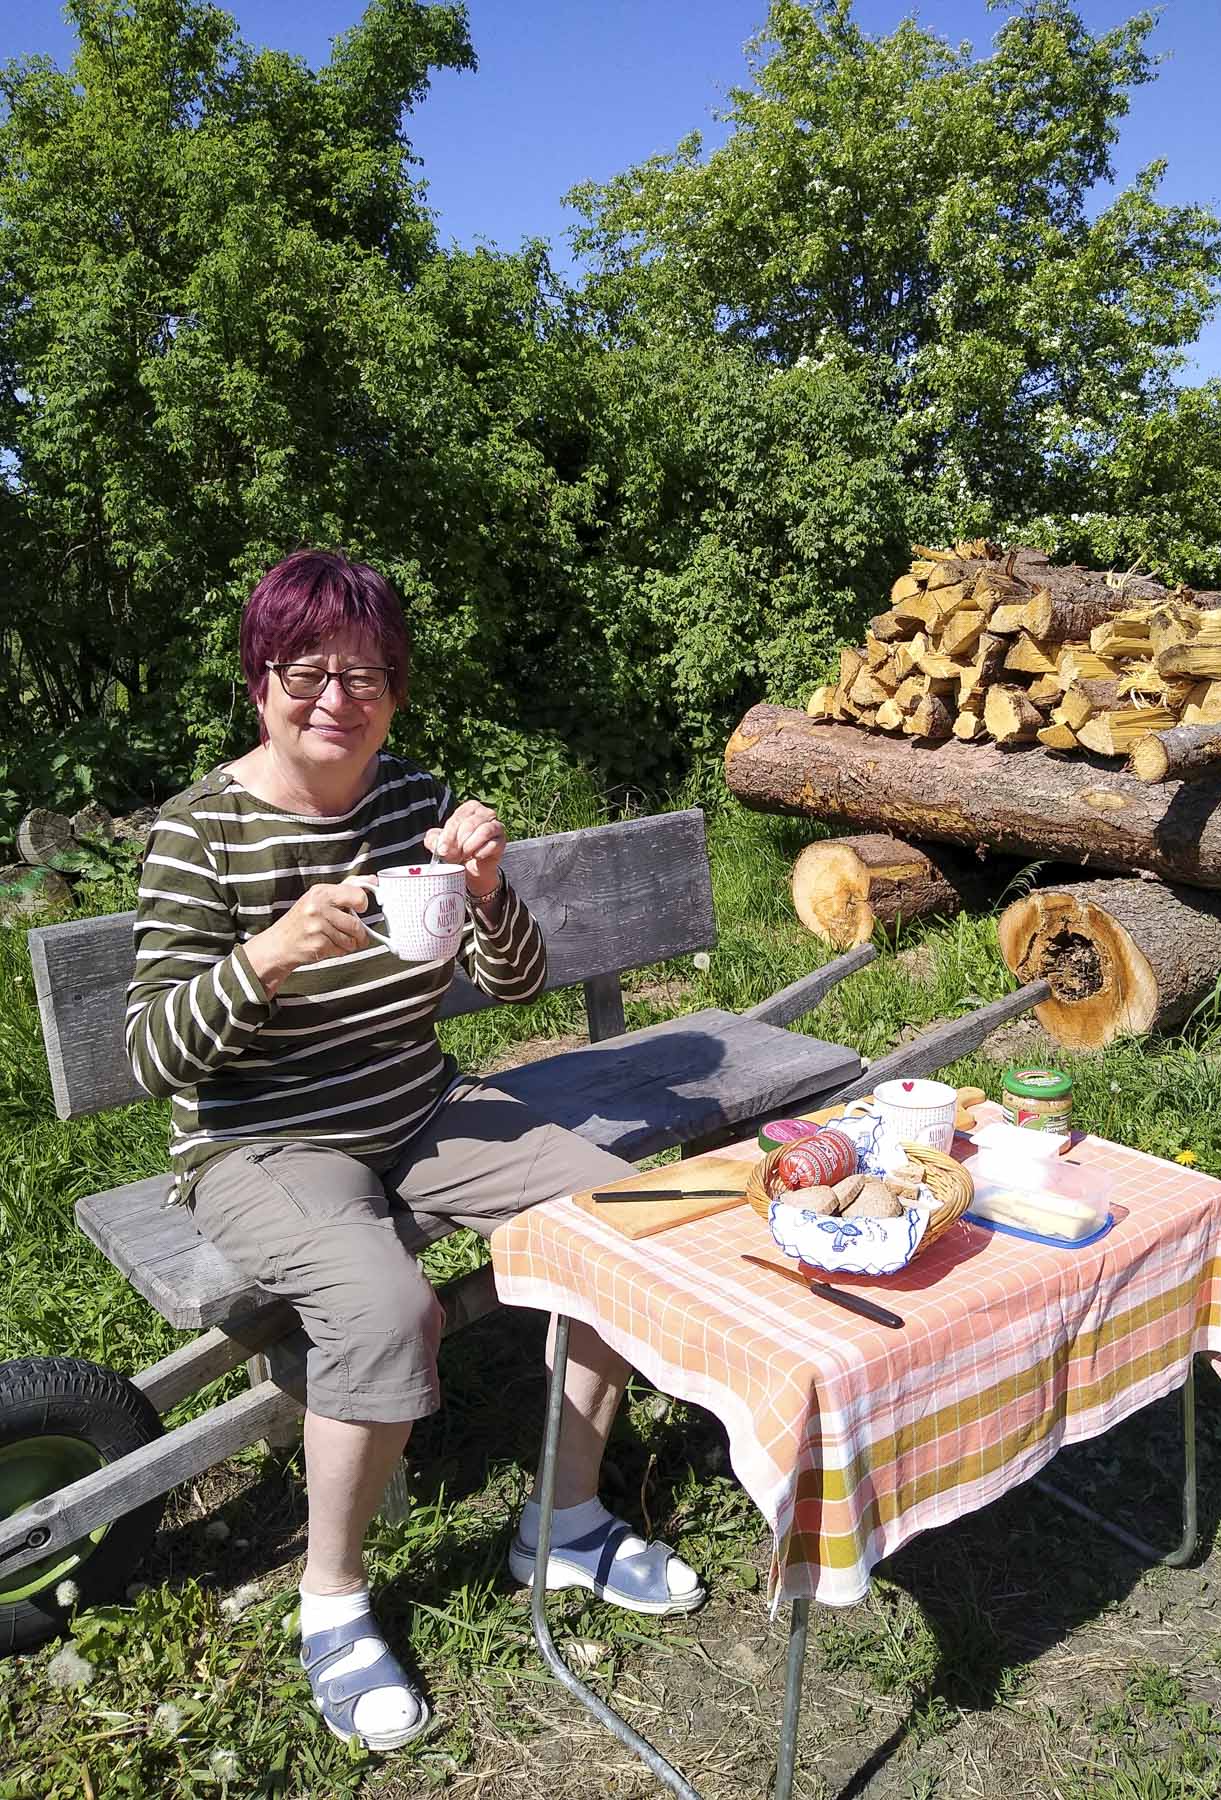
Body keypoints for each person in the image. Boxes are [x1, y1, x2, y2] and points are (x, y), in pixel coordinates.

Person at [125, 550, 703, 1752]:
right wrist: (271, 952)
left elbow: (515, 979)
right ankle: (331, 1601)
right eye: (308, 672)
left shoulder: (412, 798)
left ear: (395, 691)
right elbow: (151, 1061)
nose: (338, 698)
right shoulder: (198, 834)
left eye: (369, 676)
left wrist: (488, 891)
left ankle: (567, 1519)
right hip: (259, 1139)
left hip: (417, 1103)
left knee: (622, 1221)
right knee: (390, 1309)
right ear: (258, 679)